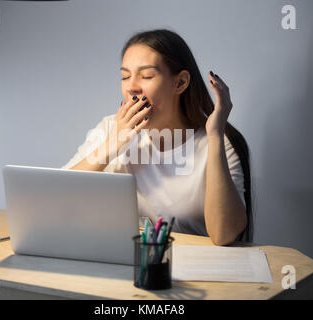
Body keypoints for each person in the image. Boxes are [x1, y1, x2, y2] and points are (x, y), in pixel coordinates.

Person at [62, 29, 253, 245]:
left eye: (146, 76)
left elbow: (224, 235)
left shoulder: (217, 141)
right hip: (123, 261)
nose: (131, 86)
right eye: (125, 76)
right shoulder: (110, 128)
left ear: (180, 83)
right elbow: (56, 197)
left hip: (190, 266)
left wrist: (215, 136)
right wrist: (111, 145)